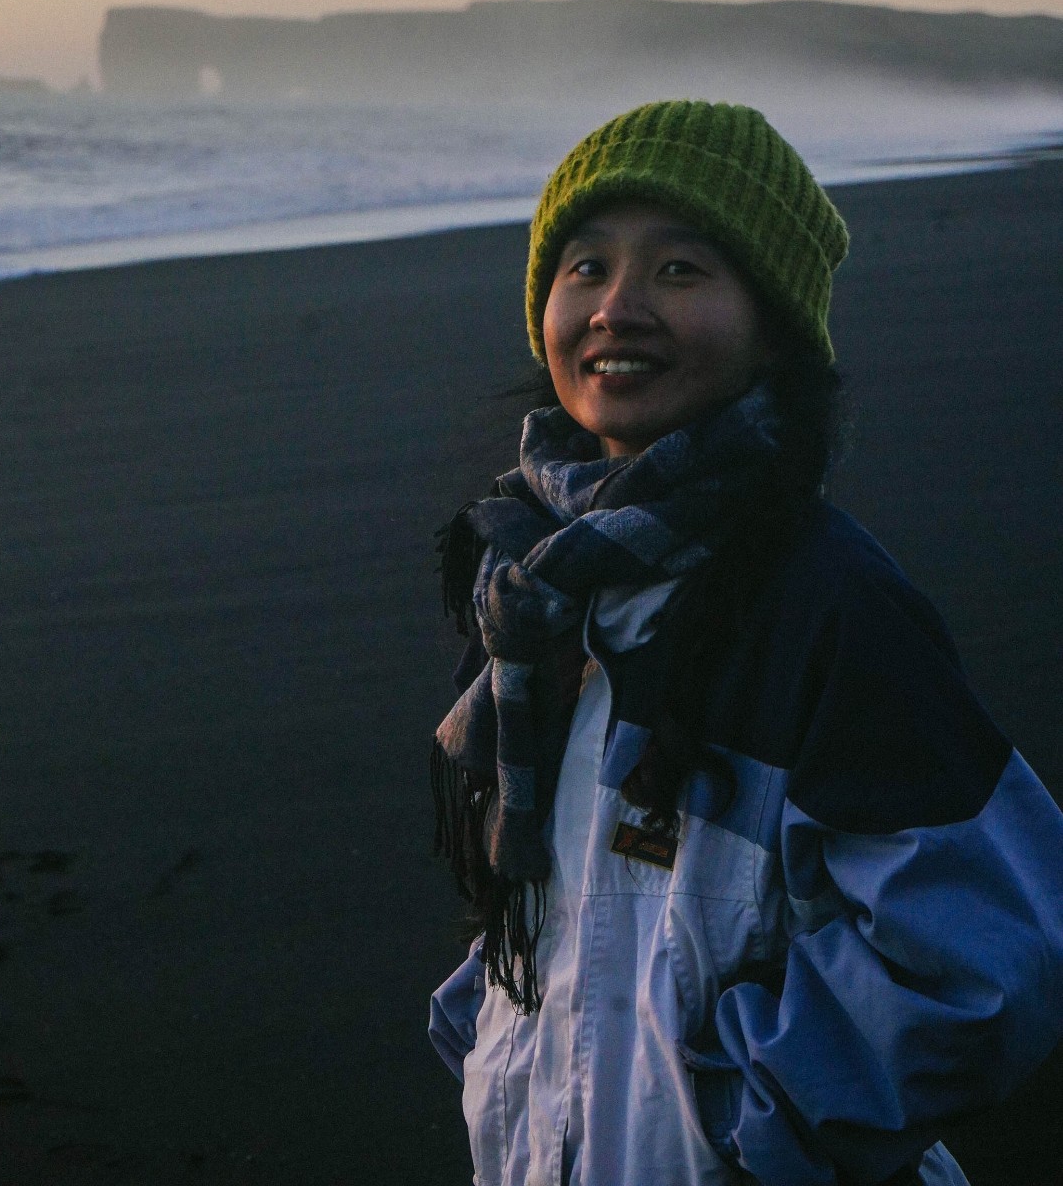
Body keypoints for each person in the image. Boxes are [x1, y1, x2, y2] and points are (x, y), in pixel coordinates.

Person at [428, 100, 1063, 1186]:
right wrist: (492, 1042)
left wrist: (749, 1125)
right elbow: (569, 906)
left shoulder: (823, 603)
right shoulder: (535, 591)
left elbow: (989, 949)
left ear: (773, 325)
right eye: (584, 267)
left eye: (680, 270)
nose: (617, 307)